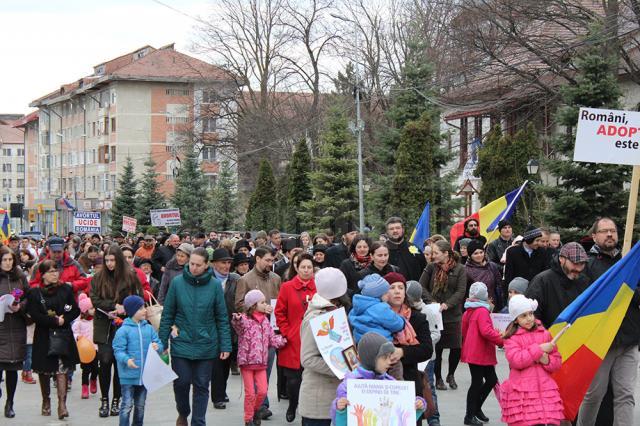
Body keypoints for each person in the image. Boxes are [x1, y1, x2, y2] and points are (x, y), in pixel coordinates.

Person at [158, 247, 232, 426]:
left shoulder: (214, 286)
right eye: (192, 264)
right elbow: (168, 314)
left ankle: (199, 422)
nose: (194, 268)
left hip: (206, 344)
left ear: (206, 265)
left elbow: (221, 317)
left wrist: (225, 345)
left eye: (199, 265)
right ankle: (183, 413)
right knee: (181, 383)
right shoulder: (177, 283)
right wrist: (162, 342)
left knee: (201, 386)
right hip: (181, 343)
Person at [578, 217, 640, 426]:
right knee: (594, 394)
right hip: (601, 342)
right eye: (604, 231)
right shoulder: (588, 264)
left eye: (613, 231)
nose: (610, 235)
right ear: (594, 236)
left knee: (625, 394)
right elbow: (585, 298)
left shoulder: (629, 261)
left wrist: (628, 290)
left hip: (629, 339)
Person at [90, 244, 144, 418]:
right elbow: (94, 299)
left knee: (120, 363)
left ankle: (116, 400)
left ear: (119, 260)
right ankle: (104, 399)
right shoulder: (98, 277)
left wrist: (125, 308)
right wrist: (113, 306)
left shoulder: (130, 277)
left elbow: (139, 298)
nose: (110, 264)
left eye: (113, 260)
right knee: (105, 362)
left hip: (124, 325)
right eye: (107, 260)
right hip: (104, 325)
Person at [330, 332, 426, 426]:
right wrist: (340, 410)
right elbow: (340, 423)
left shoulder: (391, 383)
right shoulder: (349, 386)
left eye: (390, 357)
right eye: (384, 358)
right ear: (371, 359)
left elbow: (403, 420)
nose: (389, 361)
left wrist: (417, 407)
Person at [26, 259, 80, 420]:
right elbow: (34, 314)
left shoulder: (65, 290)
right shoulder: (35, 292)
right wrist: (53, 321)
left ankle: (62, 404)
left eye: (56, 270)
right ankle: (46, 400)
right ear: (42, 275)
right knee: (44, 371)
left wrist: (65, 318)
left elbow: (75, 309)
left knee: (61, 370)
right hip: (43, 335)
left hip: (63, 335)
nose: (55, 274)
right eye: (50, 271)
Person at [499, 295, 563, 426]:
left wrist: (547, 361)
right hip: (524, 395)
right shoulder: (512, 338)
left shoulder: (544, 334)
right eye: (523, 316)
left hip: (546, 392)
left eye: (530, 314)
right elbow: (516, 360)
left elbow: (557, 362)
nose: (529, 318)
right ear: (516, 320)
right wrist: (539, 350)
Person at [234, 246, 281, 420]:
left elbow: (280, 302)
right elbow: (238, 304)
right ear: (258, 259)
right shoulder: (245, 279)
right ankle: (258, 408)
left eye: (273, 260)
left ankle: (261, 404)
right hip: (252, 333)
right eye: (268, 260)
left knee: (265, 370)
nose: (271, 263)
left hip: (270, 330)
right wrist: (257, 311)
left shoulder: (276, 278)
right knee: (256, 371)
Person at [298, 268, 349, 426]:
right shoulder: (316, 317)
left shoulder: (334, 311)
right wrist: (341, 369)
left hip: (336, 397)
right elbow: (307, 359)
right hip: (318, 401)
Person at [232, 290, 286, 426]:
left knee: (262, 391)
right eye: (262, 302)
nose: (265, 304)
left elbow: (271, 339)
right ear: (252, 305)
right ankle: (248, 418)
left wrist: (284, 340)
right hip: (247, 363)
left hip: (261, 364)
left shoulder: (266, 322)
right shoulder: (245, 320)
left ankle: (256, 410)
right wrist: (237, 319)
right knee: (250, 393)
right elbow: (238, 326)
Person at [275, 253, 317, 423]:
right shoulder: (287, 287)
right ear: (297, 268)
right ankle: (293, 405)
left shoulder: (319, 287)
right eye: (303, 267)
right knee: (293, 379)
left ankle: (307, 412)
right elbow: (280, 312)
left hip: (314, 338)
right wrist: (287, 332)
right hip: (294, 339)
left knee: (312, 379)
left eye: (309, 267)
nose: (306, 270)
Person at [384, 272, 433, 417]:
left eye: (401, 287)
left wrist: (402, 352)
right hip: (380, 382)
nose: (397, 291)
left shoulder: (417, 317)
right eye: (392, 287)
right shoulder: (376, 316)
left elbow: (427, 349)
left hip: (409, 380)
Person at [420, 240, 466, 391]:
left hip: (453, 314)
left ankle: (451, 374)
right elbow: (422, 286)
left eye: (436, 253)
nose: (432, 256)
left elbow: (461, 291)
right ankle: (438, 377)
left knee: (456, 347)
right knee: (438, 348)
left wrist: (448, 304)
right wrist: (432, 302)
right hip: (434, 313)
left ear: (446, 253)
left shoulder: (460, 269)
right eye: (432, 253)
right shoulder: (431, 267)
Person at [113, 295, 163, 426]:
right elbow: (118, 350)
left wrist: (157, 346)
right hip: (128, 376)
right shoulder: (123, 330)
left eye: (144, 307)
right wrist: (127, 359)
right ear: (132, 311)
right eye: (141, 308)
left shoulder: (149, 328)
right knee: (126, 405)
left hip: (144, 376)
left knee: (140, 406)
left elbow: (158, 343)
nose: (145, 310)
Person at [460, 282, 503, 425]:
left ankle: (476, 409)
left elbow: (464, 330)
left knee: (489, 380)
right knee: (478, 383)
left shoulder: (469, 310)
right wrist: (501, 340)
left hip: (474, 351)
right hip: (480, 352)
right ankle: (469, 414)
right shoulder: (482, 311)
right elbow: (486, 331)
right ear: (484, 296)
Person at [525, 242, 591, 329]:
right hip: (550, 338)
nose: (578, 268)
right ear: (561, 259)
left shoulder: (584, 281)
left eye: (582, 263)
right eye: (575, 263)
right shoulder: (542, 281)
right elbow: (531, 315)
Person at [406, 281, 442, 426]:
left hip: (427, 359)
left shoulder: (428, 311)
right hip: (413, 356)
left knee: (429, 388)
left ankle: (434, 419)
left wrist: (423, 341)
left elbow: (436, 333)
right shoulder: (404, 311)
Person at [209, 248, 240, 410]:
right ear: (214, 264)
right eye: (223, 262)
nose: (226, 266)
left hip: (231, 326)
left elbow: (240, 301)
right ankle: (217, 396)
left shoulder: (235, 280)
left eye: (229, 263)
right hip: (212, 327)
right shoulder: (207, 279)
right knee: (216, 363)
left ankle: (222, 390)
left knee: (226, 361)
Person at [0, 246, 28, 418]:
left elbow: (28, 297)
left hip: (16, 327)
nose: (8, 263)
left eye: (10, 259)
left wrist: (20, 306)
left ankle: (10, 403)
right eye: (4, 260)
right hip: (1, 327)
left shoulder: (20, 277)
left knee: (12, 369)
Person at [348, 273, 405, 344]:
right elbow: (397, 324)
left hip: (361, 343)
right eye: (386, 293)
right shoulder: (381, 309)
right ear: (378, 295)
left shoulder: (358, 305)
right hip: (380, 344)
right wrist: (402, 320)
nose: (388, 294)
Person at [503, 226, 551, 291]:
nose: (539, 243)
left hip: (536, 292)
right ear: (529, 240)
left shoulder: (542, 252)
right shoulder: (512, 252)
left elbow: (544, 274)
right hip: (518, 293)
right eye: (537, 240)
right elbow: (508, 276)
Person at [72, 293, 98, 400]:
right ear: (85, 310)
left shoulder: (96, 320)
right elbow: (75, 332)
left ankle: (93, 380)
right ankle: (85, 388)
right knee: (85, 370)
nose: (94, 310)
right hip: (84, 350)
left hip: (95, 348)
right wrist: (78, 337)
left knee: (96, 369)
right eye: (92, 308)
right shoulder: (79, 322)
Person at [464, 240, 503, 310]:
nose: (479, 255)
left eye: (481, 252)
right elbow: (464, 293)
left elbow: (499, 285)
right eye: (475, 253)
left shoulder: (492, 266)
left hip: (493, 305)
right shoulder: (466, 270)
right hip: (476, 307)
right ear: (470, 255)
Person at [385, 217, 426, 281]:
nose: (395, 231)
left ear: (403, 229)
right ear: (387, 232)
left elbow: (424, 272)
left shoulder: (415, 250)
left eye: (398, 228)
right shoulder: (382, 251)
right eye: (391, 229)